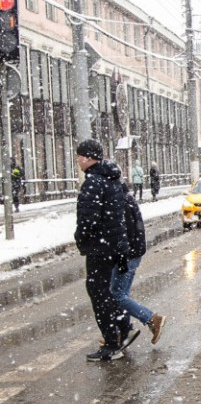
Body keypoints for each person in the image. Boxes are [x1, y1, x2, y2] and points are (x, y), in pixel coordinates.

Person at [74, 140, 132, 362]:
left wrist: (81, 238)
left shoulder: (93, 182)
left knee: (98, 293)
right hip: (113, 245)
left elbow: (87, 219)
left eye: (80, 156)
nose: (78, 160)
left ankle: (111, 343)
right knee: (106, 291)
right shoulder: (111, 179)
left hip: (100, 247)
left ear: (88, 158)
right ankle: (123, 328)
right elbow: (119, 216)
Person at [110, 183, 168, 345]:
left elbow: (124, 233)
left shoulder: (120, 202)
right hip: (133, 254)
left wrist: (122, 255)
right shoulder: (126, 198)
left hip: (128, 255)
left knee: (117, 295)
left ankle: (151, 318)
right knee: (122, 294)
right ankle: (122, 331)